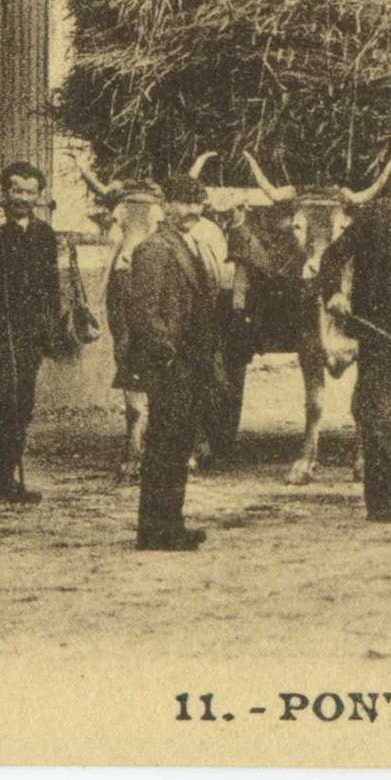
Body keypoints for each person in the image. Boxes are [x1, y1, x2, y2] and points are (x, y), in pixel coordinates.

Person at [321, 153, 391, 522]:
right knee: (378, 420)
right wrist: (334, 294)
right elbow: (332, 257)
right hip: (379, 333)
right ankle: (381, 502)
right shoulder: (374, 216)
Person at [122, 175, 230, 550]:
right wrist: (168, 354)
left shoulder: (189, 244)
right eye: (183, 203)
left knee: (177, 444)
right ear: (166, 205)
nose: (191, 211)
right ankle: (155, 530)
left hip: (191, 361)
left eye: (197, 203)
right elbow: (144, 313)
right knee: (165, 446)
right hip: (171, 364)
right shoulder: (154, 248)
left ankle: (171, 524)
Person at [0, 162, 62, 504]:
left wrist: (49, 329)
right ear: (4, 192)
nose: (22, 198)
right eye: (15, 190)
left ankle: (5, 480)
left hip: (27, 334)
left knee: (20, 406)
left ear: (39, 196)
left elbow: (51, 286)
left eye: (29, 192)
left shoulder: (44, 234)